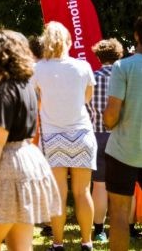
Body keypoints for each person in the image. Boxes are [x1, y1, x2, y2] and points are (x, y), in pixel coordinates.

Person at [0, 30, 61, 249]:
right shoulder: (28, 87)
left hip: (8, 167)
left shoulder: (3, 91)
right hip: (29, 161)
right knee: (21, 245)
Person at [32, 21, 97, 251]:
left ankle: (58, 243)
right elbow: (87, 98)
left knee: (58, 193)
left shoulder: (37, 69)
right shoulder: (83, 67)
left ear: (45, 43)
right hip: (81, 133)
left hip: (52, 137)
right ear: (69, 41)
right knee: (82, 192)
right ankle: (87, 242)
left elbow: (36, 99)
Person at [104, 16, 142, 251]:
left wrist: (108, 119)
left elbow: (110, 116)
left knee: (118, 214)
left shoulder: (123, 67)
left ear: (137, 36)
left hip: (123, 151)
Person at [87, 39, 124, 242]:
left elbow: (85, 110)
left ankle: (99, 230)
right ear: (119, 55)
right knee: (126, 184)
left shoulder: (92, 79)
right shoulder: (126, 77)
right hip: (122, 136)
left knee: (99, 185)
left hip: (97, 135)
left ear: (98, 56)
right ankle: (129, 227)